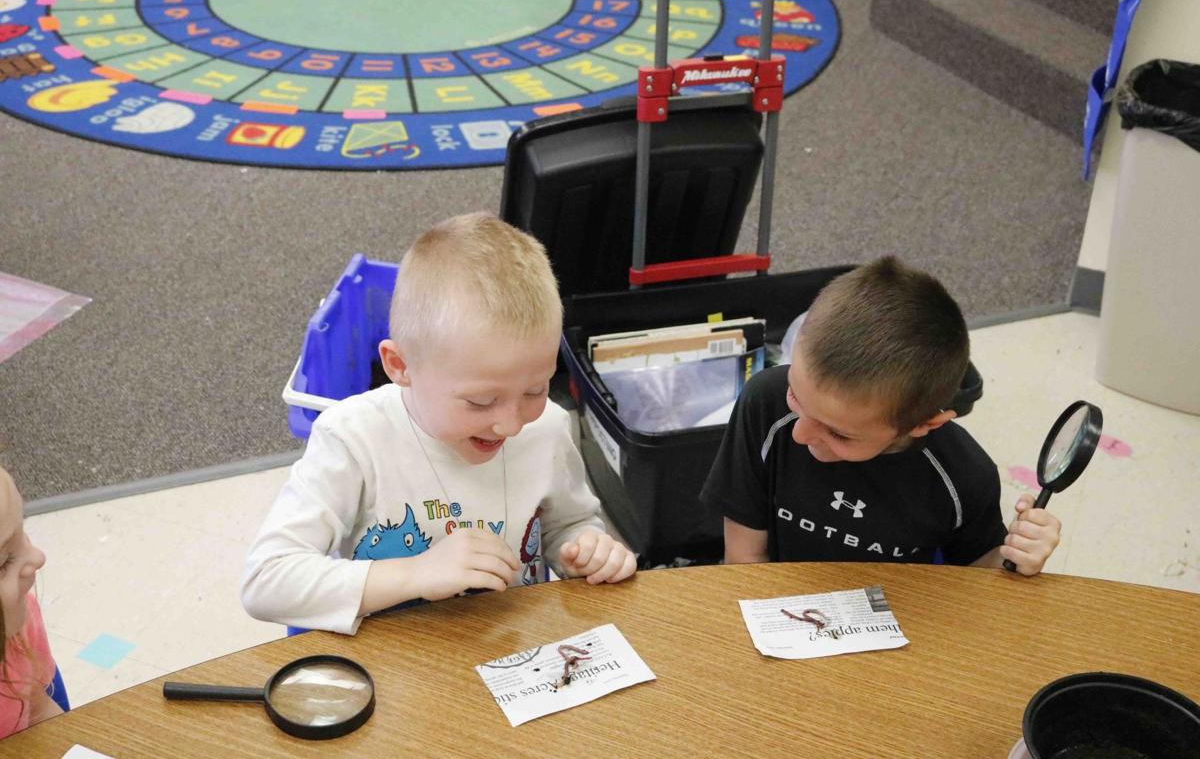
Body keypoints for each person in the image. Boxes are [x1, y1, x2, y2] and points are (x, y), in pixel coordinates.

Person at [242, 213, 636, 634]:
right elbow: (265, 580)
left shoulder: (548, 429)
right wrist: (415, 574)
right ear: (400, 366)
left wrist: (586, 550)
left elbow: (568, 524)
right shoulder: (352, 437)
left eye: (536, 390)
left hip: (513, 657)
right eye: (481, 401)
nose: (510, 425)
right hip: (397, 668)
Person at [701, 257, 1061, 574]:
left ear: (925, 424)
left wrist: (1014, 556)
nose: (799, 434)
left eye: (839, 434)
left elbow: (975, 577)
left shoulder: (964, 478)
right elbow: (744, 562)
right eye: (796, 397)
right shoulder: (765, 403)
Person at [0, 467, 61, 738]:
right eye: (4, 561)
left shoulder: (19, 628)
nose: (37, 557)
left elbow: (41, 714)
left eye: (23, 533)